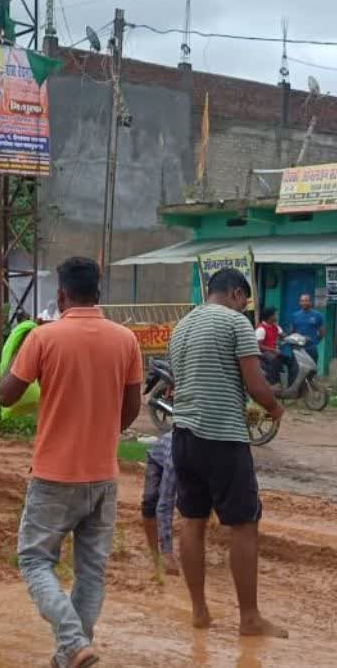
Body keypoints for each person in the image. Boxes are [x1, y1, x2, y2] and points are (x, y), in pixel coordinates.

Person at [0, 257, 144, 668]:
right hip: (103, 474)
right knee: (91, 571)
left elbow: (7, 395)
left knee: (34, 559)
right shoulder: (125, 340)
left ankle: (71, 641)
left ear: (61, 294)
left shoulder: (45, 338)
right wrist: (100, 434)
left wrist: (19, 346)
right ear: (98, 291)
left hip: (53, 474)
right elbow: (131, 408)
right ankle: (73, 653)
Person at [168, 268, 286, 637]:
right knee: (243, 524)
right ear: (236, 294)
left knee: (192, 520)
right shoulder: (235, 324)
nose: (244, 308)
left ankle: (200, 611)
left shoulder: (181, 327)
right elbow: (255, 383)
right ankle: (249, 618)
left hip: (183, 436)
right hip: (222, 436)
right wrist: (274, 408)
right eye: (245, 301)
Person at [141, 432, 180, 577]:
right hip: (158, 459)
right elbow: (165, 504)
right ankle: (156, 555)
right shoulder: (175, 459)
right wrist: (167, 553)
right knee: (150, 501)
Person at [289, 294, 325, 364]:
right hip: (298, 349)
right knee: (297, 371)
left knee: (311, 371)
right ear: (300, 302)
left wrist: (314, 341)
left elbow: (322, 332)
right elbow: (292, 332)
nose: (304, 303)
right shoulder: (295, 315)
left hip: (311, 349)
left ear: (310, 302)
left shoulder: (318, 315)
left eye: (306, 301)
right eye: (302, 301)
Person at [256, 307, 287, 386]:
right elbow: (259, 346)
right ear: (270, 317)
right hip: (263, 353)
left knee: (289, 360)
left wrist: (294, 337)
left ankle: (286, 382)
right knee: (275, 361)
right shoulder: (261, 329)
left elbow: (284, 336)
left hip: (274, 351)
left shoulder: (276, 327)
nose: (277, 316)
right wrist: (273, 350)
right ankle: (273, 384)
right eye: (275, 315)